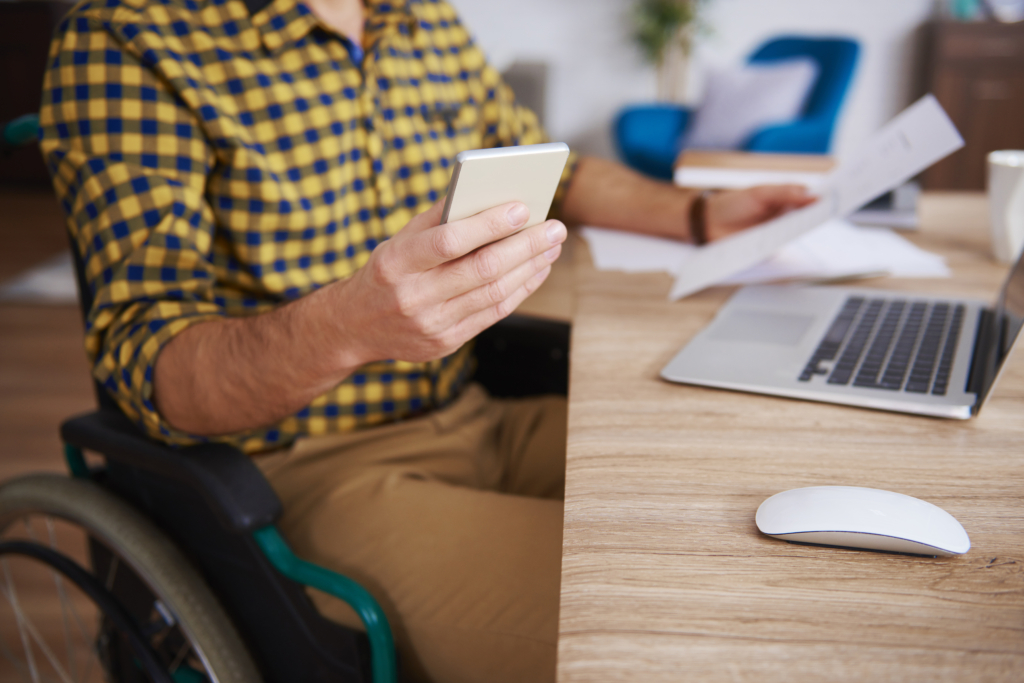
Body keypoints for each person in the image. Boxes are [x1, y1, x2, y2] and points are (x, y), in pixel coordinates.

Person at [39, 0, 814, 679]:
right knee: (680, 613)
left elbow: (555, 170)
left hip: (474, 410)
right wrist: (346, 324)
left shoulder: (420, 20)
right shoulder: (131, 38)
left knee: (758, 502)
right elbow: (156, 367)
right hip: (305, 471)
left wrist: (699, 215)